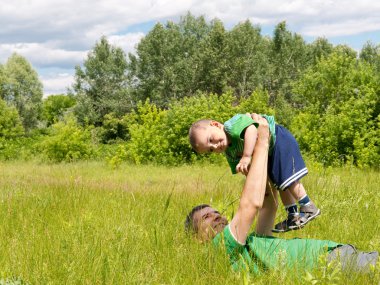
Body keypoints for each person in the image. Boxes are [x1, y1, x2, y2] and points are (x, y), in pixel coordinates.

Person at [185, 115, 378, 274]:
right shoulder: (222, 248)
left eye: (214, 211)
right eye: (206, 217)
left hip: (334, 251)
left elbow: (269, 205)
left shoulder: (248, 246)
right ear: (198, 238)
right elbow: (251, 204)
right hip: (329, 263)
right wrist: (262, 140)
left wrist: (256, 164)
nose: (217, 215)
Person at [189, 113, 320, 232]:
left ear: (216, 125)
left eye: (211, 139)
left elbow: (251, 129)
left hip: (278, 139)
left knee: (288, 179)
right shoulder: (229, 152)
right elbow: (246, 171)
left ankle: (308, 206)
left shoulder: (231, 126)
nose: (215, 146)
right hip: (269, 150)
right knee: (280, 184)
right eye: (210, 150)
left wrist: (246, 156)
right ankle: (293, 215)